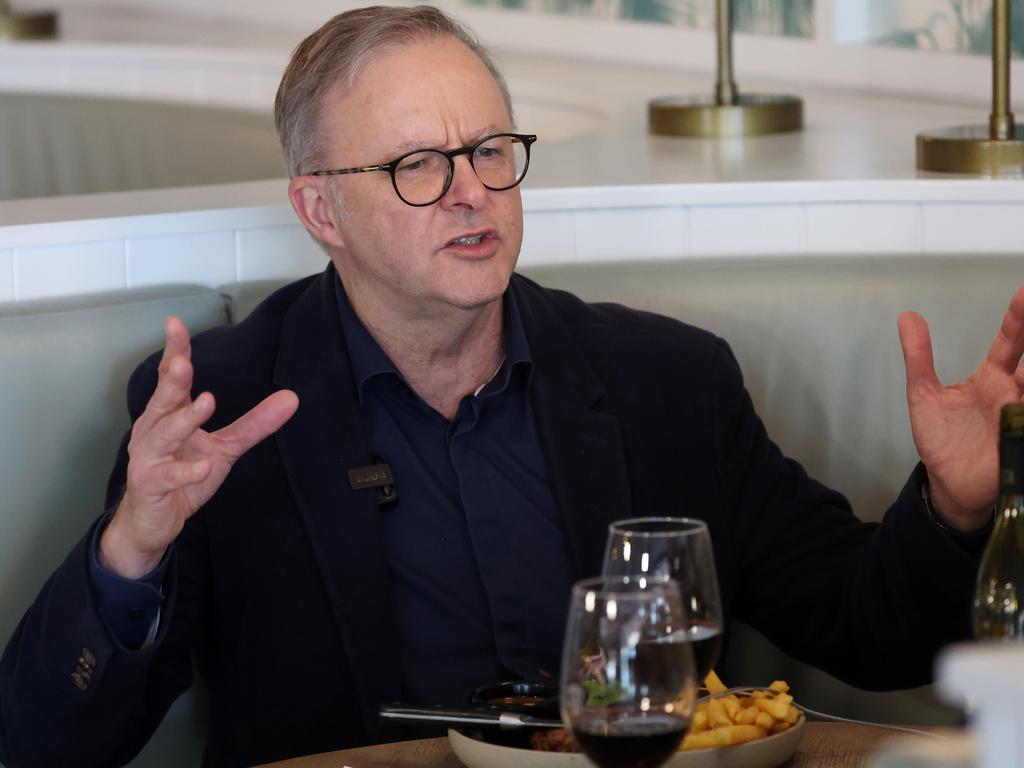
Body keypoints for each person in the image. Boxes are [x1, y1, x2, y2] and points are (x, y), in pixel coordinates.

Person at [2, 5, 1022, 767]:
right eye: (417, 165)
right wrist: (132, 548)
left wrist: (954, 506)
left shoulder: (663, 379)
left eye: (490, 150)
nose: (472, 193)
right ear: (319, 210)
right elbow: (48, 744)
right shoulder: (223, 408)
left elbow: (870, 629)